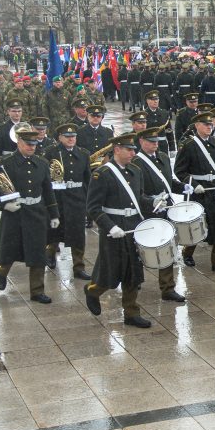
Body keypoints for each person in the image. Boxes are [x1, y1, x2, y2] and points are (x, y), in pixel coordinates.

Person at [84, 133, 164, 328]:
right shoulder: (102, 174)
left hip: (133, 227)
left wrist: (153, 201)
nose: (133, 153)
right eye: (129, 149)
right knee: (111, 272)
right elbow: (93, 208)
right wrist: (110, 226)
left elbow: (138, 199)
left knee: (133, 272)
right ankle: (93, 291)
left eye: (133, 149)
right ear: (117, 149)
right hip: (114, 229)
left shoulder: (135, 171)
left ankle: (131, 312)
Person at [0, 127, 60, 304]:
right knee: (10, 249)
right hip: (15, 213)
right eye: (28, 144)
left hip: (36, 212)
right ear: (19, 143)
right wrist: (3, 204)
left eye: (34, 144)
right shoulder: (6, 162)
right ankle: (2, 272)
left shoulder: (42, 163)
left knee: (38, 252)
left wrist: (54, 214)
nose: (32, 147)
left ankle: (37, 291)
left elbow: (47, 190)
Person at [133, 127, 193, 303]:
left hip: (165, 209)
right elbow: (135, 192)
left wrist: (183, 187)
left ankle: (168, 287)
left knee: (166, 248)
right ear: (142, 142)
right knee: (138, 249)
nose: (155, 144)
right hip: (146, 212)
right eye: (151, 142)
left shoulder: (164, 158)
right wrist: (151, 201)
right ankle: (134, 279)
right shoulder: (136, 163)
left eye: (156, 141)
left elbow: (168, 182)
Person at [174, 113, 215, 272]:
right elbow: (179, 171)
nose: (209, 127)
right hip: (197, 191)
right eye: (205, 124)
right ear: (197, 126)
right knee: (195, 225)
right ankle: (188, 252)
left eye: (211, 125)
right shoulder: (188, 145)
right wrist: (193, 184)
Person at [42, 123, 92, 280]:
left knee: (78, 233)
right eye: (67, 137)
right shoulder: (51, 153)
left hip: (77, 198)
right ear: (60, 138)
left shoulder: (83, 154)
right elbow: (45, 177)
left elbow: (87, 178)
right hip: (58, 198)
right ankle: (50, 254)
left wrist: (87, 197)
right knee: (55, 230)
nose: (71, 139)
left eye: (73, 136)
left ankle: (79, 266)